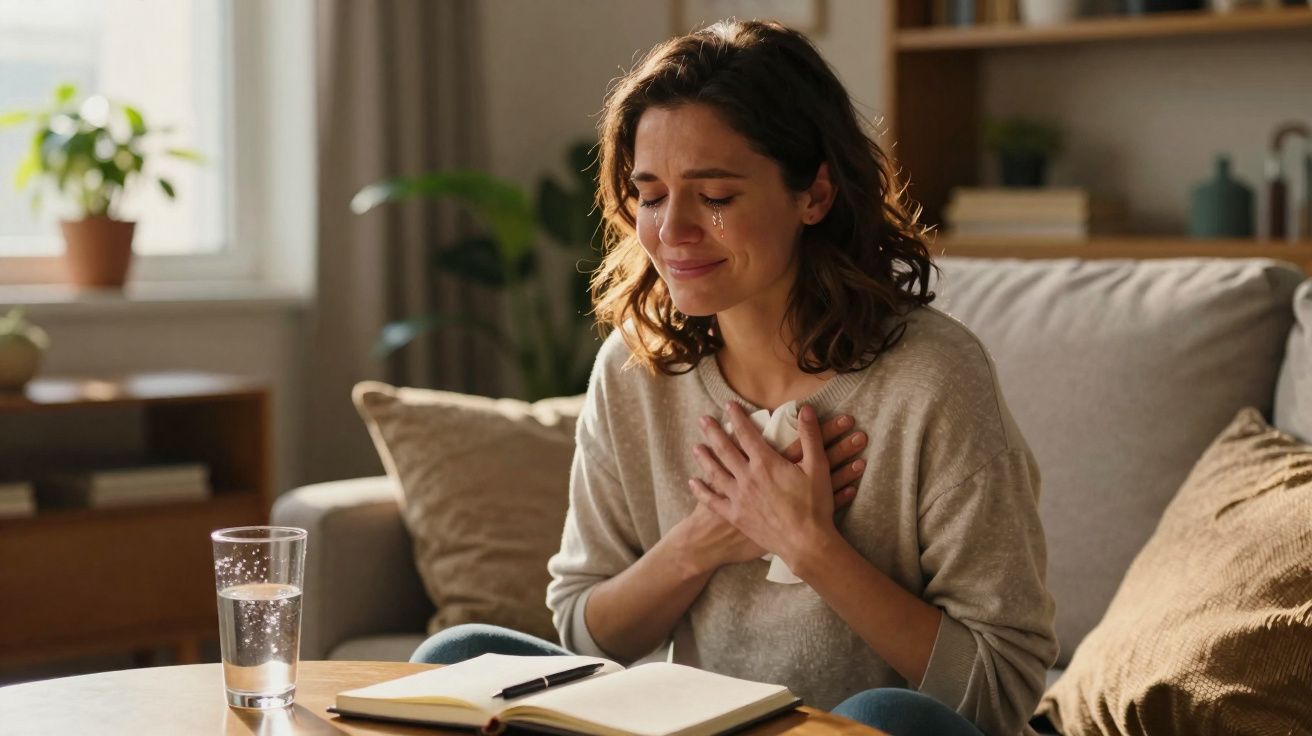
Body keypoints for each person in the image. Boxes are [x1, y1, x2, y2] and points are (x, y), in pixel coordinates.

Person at [411, 19, 1058, 736]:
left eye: (714, 196)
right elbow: (584, 633)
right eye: (650, 195)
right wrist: (706, 539)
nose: (672, 230)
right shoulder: (633, 372)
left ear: (813, 195)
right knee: (456, 658)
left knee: (882, 719)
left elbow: (1000, 690)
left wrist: (809, 545)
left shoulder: (933, 379)